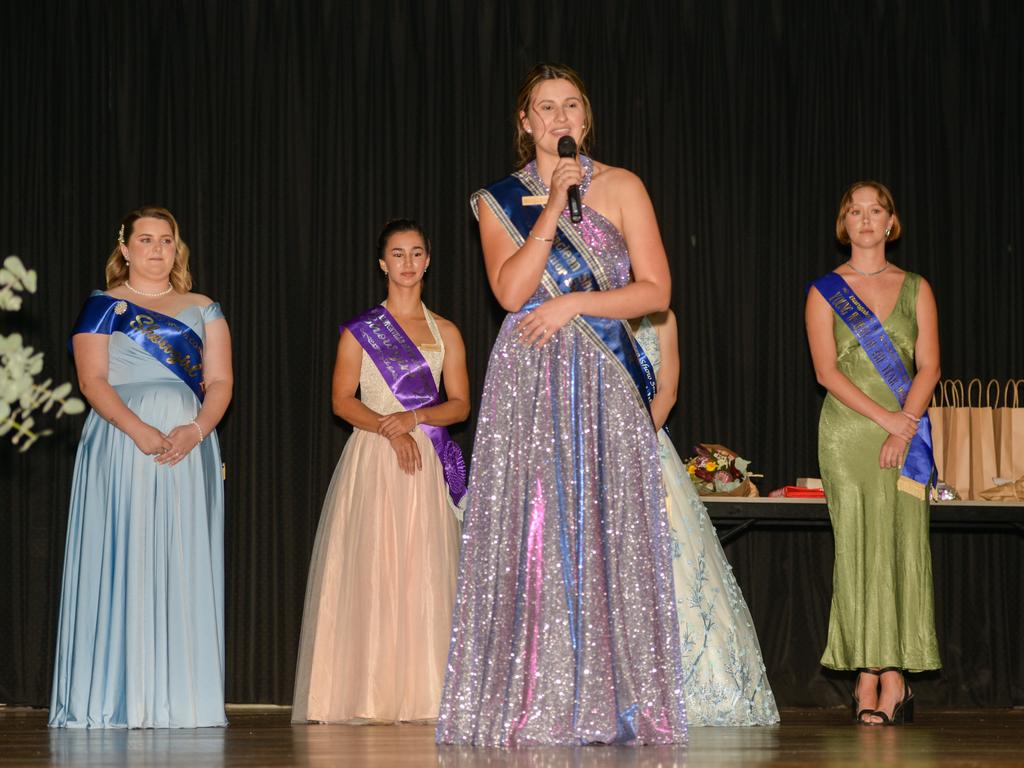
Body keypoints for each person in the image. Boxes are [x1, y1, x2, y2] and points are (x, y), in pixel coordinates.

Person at [436, 63, 686, 747]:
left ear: (586, 116)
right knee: (539, 530)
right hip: (531, 377)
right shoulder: (497, 201)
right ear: (526, 123)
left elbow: (655, 292)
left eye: (570, 106)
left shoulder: (623, 186)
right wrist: (551, 205)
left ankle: (614, 703)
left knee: (607, 529)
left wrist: (576, 301)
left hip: (606, 376)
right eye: (545, 109)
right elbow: (513, 294)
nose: (559, 119)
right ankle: (538, 694)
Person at [50, 207, 233, 728]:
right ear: (125, 248)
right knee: (123, 553)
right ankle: (115, 694)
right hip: (121, 442)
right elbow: (93, 381)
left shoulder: (204, 308)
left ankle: (185, 701)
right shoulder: (102, 306)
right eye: (146, 240)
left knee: (181, 557)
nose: (157, 249)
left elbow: (220, 383)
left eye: (167, 240)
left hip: (189, 443)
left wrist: (195, 431)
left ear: (178, 248)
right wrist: (139, 430)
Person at [292, 219, 469, 724]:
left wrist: (414, 418)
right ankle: (365, 693)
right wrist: (389, 429)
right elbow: (341, 400)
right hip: (373, 456)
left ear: (428, 260)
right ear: (382, 264)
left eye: (416, 253)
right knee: (371, 573)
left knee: (424, 573)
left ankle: (425, 691)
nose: (407, 263)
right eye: (397, 254)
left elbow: (458, 405)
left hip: (425, 460)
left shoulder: (447, 332)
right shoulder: (360, 331)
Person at [805, 181, 941, 725]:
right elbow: (825, 372)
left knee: (902, 547)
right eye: (854, 211)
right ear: (845, 224)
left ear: (891, 222)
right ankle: (867, 677)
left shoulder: (917, 288)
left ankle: (896, 679)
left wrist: (903, 425)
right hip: (848, 434)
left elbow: (929, 365)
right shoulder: (823, 291)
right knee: (859, 548)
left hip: (906, 435)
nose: (865, 219)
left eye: (875, 210)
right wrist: (886, 420)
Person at [631, 311, 779, 726]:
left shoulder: (661, 317)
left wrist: (633, 442)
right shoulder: (581, 307)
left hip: (645, 445)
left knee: (676, 570)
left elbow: (667, 391)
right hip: (593, 445)